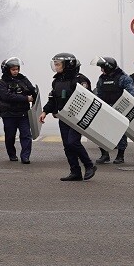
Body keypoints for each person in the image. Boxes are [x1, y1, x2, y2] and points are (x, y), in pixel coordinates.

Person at [39, 53, 96, 181]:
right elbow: (53, 99)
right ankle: (75, 172)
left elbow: (87, 99)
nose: (55, 66)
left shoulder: (80, 80)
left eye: (58, 64)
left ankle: (89, 165)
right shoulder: (56, 81)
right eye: (55, 64)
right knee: (67, 146)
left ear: (68, 65)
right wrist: (45, 112)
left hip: (77, 118)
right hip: (64, 117)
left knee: (73, 142)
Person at [92, 56, 134, 165]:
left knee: (120, 133)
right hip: (106, 109)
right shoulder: (102, 79)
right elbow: (99, 94)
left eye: (103, 68)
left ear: (109, 67)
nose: (101, 70)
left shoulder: (123, 78)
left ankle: (120, 155)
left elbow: (130, 95)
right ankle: (104, 155)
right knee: (100, 132)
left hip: (119, 109)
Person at [0, 57, 36, 163]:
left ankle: (25, 156)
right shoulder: (1, 83)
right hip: (9, 114)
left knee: (26, 135)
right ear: (7, 70)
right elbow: (7, 96)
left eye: (17, 69)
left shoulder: (23, 79)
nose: (16, 71)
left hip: (23, 113)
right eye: (13, 69)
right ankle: (12, 154)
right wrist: (25, 98)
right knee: (10, 136)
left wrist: (34, 94)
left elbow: (32, 90)